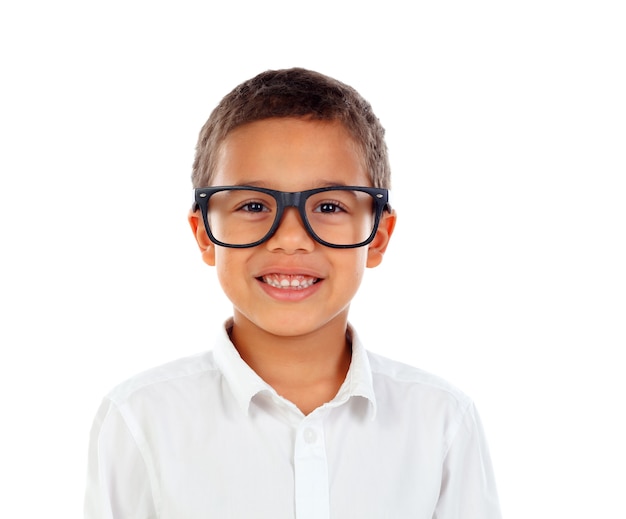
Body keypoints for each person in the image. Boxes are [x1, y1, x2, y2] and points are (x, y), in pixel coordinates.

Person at [84, 67, 502, 518]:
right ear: (205, 233)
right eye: (253, 205)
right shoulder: (139, 419)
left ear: (378, 236)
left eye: (327, 206)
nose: (290, 238)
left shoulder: (442, 422)